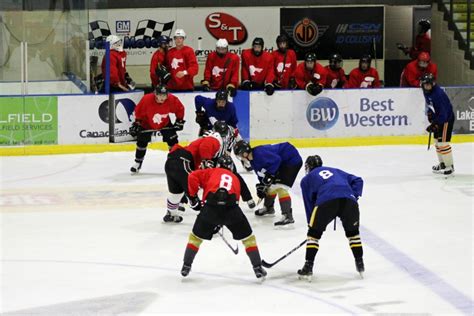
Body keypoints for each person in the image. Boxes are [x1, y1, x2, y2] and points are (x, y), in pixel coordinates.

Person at [181, 156, 267, 279]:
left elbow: (192, 176)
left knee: (195, 238)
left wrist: (193, 196)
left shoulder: (211, 171)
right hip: (232, 209)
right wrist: (222, 219)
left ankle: (186, 266)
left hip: (210, 208)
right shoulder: (235, 177)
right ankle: (257, 267)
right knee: (248, 239)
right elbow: (232, 199)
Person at [297, 155, 365, 280]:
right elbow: (358, 180)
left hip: (326, 202)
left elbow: (309, 204)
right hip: (349, 201)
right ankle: (360, 264)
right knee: (353, 234)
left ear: (308, 167)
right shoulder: (335, 170)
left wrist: (312, 226)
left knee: (314, 236)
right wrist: (353, 195)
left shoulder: (306, 180)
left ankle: (308, 266)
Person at [234, 140, 303, 226]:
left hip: (291, 160)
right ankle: (268, 208)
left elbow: (277, 160)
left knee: (280, 186)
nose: (240, 157)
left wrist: (270, 175)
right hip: (283, 161)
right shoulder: (253, 160)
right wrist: (262, 185)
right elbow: (261, 174)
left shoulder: (259, 154)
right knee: (272, 185)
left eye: (240, 155)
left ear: (245, 152)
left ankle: (287, 216)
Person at [163, 132, 225, 223]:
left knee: (176, 192)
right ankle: (206, 216)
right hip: (183, 160)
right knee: (192, 192)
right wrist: (207, 161)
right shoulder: (214, 140)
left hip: (171, 162)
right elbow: (205, 146)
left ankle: (171, 214)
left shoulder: (198, 146)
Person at [129, 85, 185, 173]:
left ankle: (176, 163)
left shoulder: (171, 99)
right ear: (155, 94)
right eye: (160, 95)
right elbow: (138, 111)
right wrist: (137, 123)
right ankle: (138, 163)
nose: (162, 97)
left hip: (165, 123)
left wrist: (179, 120)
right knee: (141, 142)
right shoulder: (146, 99)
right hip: (147, 122)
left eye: (164, 95)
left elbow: (180, 109)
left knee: (173, 141)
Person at [211, 121, 256, 209]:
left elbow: (235, 139)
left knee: (236, 177)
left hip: (225, 156)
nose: (223, 135)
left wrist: (228, 151)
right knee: (210, 178)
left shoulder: (231, 130)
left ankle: (248, 198)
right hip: (213, 158)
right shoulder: (210, 135)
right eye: (221, 133)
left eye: (224, 133)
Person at [421, 73, 455, 175]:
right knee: (437, 142)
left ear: (433, 84)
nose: (426, 86)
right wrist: (430, 115)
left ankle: (450, 166)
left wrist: (435, 124)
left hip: (446, 120)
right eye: (425, 84)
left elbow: (444, 114)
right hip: (439, 119)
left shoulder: (438, 94)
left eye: (428, 84)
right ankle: (443, 164)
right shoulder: (426, 92)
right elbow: (430, 106)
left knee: (443, 143)